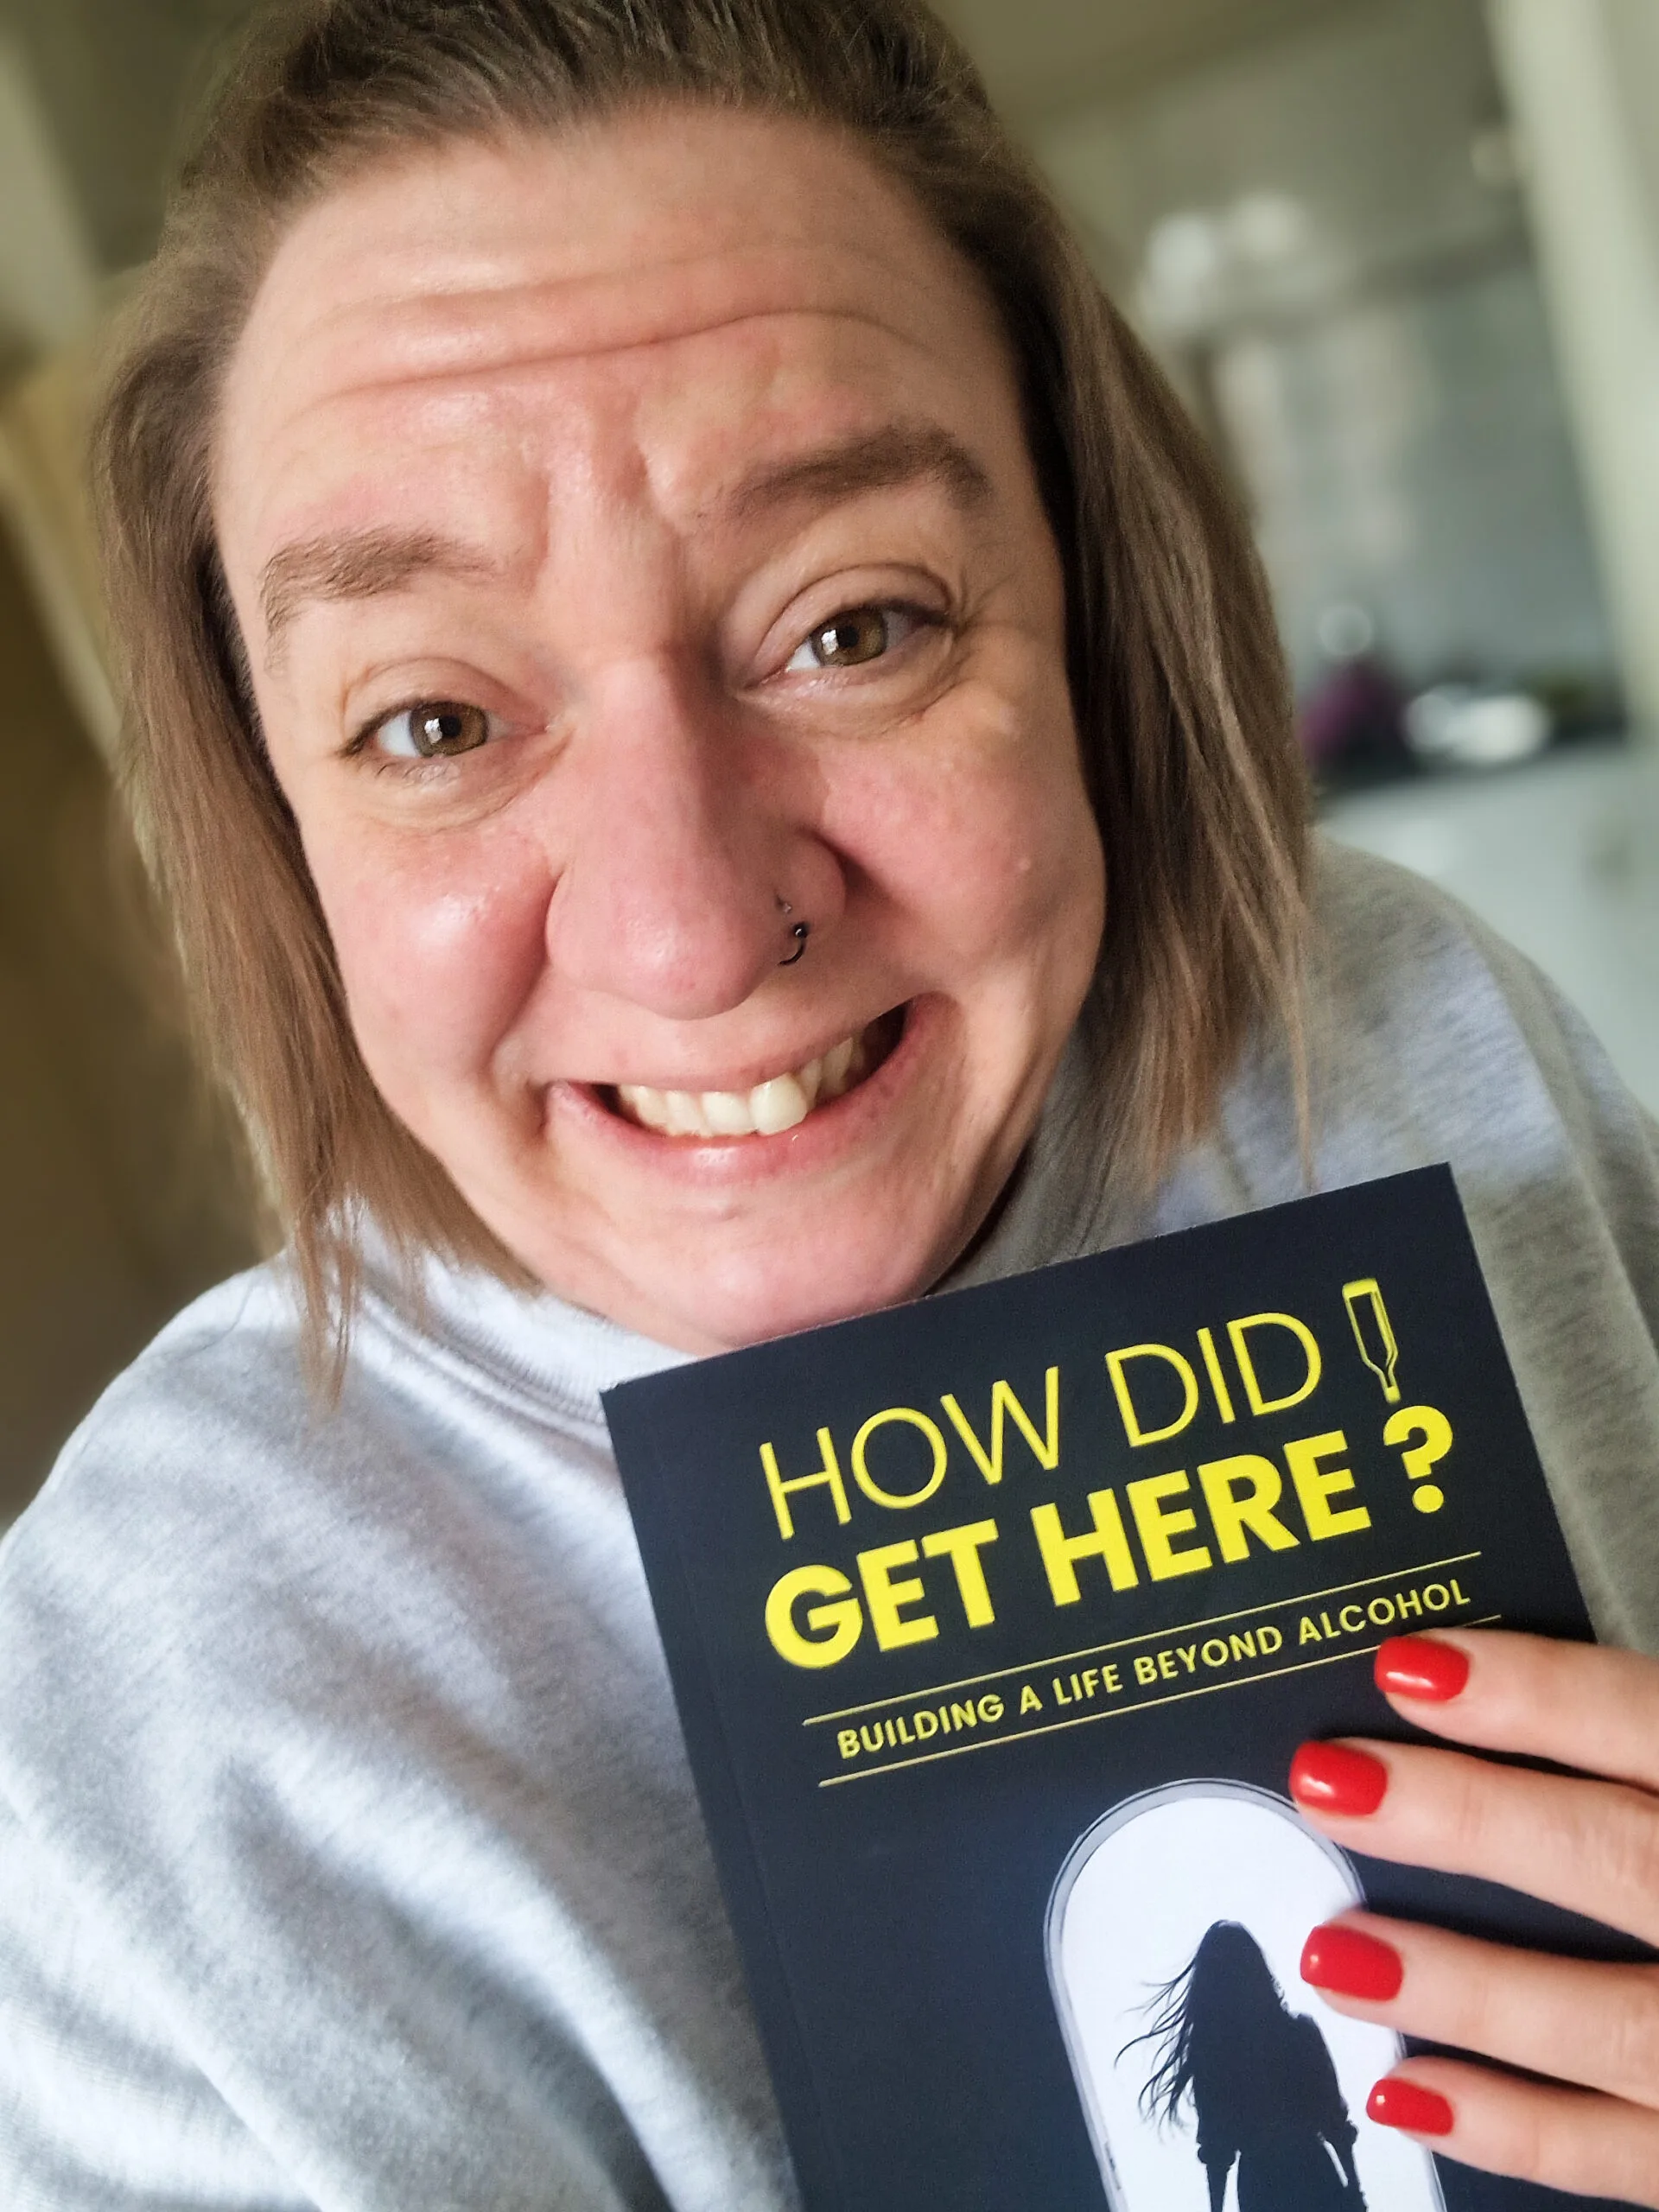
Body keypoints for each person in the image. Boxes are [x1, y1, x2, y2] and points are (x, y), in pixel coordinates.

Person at [0, 1, 1656, 2205]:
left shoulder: (1398, 1039)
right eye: (429, 724)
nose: (686, 930)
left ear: (1092, 616)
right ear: (271, 818)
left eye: (853, 625)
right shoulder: (126, 1752)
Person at [1123, 1920, 1364, 2211]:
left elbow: (1217, 2151)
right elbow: (1334, 2123)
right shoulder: (1299, 2033)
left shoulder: (1213, 2057)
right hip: (1312, 2173)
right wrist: (1354, 2192)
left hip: (1261, 2185)